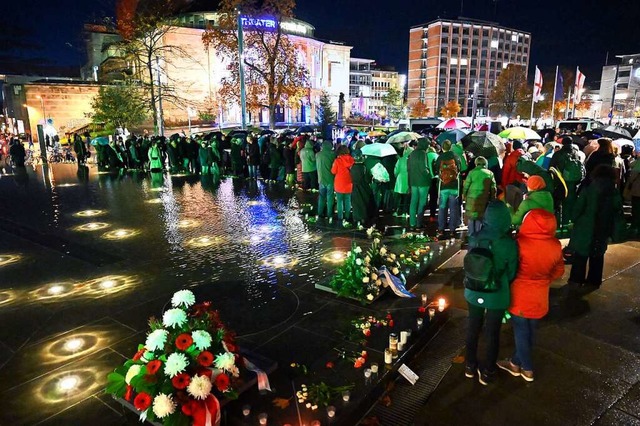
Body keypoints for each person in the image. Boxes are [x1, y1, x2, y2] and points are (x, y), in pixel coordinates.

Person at [497, 208, 564, 382]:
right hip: (540, 295)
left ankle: (527, 368)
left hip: (520, 293)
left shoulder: (519, 243)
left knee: (520, 331)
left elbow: (511, 268)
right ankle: (514, 362)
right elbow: (559, 271)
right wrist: (543, 279)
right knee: (531, 331)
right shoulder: (555, 245)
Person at [464, 200, 518, 385]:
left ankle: (470, 366)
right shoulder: (508, 243)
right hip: (496, 293)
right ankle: (488, 371)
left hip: (473, 289)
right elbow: (512, 271)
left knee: (473, 327)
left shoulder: (475, 236)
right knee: (492, 332)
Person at [567, 165, 624, 287]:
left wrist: (575, 219)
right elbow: (617, 211)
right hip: (603, 227)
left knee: (581, 255)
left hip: (585, 227)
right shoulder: (613, 192)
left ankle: (576, 280)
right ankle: (594, 281)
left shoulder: (589, 189)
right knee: (598, 256)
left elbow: (578, 208)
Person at [548, 136, 584, 227]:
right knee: (571, 202)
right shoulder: (576, 153)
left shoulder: (558, 154)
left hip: (561, 181)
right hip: (574, 182)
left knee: (560, 203)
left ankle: (562, 223)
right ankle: (571, 222)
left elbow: (551, 167)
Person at [462, 156, 496, 237]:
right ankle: (478, 236)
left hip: (471, 199)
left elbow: (466, 186)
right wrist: (492, 198)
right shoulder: (490, 173)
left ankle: (471, 236)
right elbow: (493, 188)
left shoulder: (471, 172)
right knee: (480, 218)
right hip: (483, 199)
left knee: (471, 218)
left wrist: (464, 195)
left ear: (476, 163)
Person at [434, 140, 462, 237]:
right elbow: (460, 169)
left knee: (442, 207)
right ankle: (452, 229)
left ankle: (441, 228)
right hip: (454, 186)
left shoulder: (440, 157)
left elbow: (436, 170)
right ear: (450, 147)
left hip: (443, 186)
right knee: (453, 208)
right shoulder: (456, 156)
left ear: (442, 147)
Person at [407, 138, 432, 229]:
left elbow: (408, 169)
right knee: (422, 202)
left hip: (413, 181)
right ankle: (419, 223)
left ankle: (412, 223)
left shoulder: (412, 153)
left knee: (413, 202)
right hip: (423, 182)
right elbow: (423, 168)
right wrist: (429, 175)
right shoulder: (423, 154)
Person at [350, 150, 375, 228]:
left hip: (354, 188)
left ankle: (356, 218)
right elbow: (367, 179)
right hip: (363, 187)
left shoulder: (352, 167)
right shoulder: (363, 167)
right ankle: (363, 218)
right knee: (363, 202)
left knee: (356, 203)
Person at [331, 145, 355, 226]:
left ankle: (340, 217)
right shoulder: (352, 160)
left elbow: (333, 171)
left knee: (339, 201)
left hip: (339, 184)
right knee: (348, 201)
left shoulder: (337, 161)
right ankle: (347, 217)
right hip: (349, 183)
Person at [501, 140, 527, 210]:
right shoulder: (525, 155)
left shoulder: (511, 157)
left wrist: (504, 185)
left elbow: (506, 172)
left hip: (512, 182)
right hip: (523, 182)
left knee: (511, 203)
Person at [316, 140, 336, 219]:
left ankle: (320, 213)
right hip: (330, 179)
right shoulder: (333, 154)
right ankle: (329, 213)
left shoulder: (318, 155)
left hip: (321, 179)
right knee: (330, 196)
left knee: (321, 196)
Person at [393, 144, 412, 217]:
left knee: (399, 197)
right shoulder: (411, 160)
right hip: (408, 179)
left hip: (400, 180)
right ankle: (405, 212)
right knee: (407, 197)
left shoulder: (400, 159)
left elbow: (396, 171)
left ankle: (397, 211)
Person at [624, 159, 640, 237]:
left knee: (636, 209)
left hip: (638, 190)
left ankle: (635, 227)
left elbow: (633, 174)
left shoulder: (638, 163)